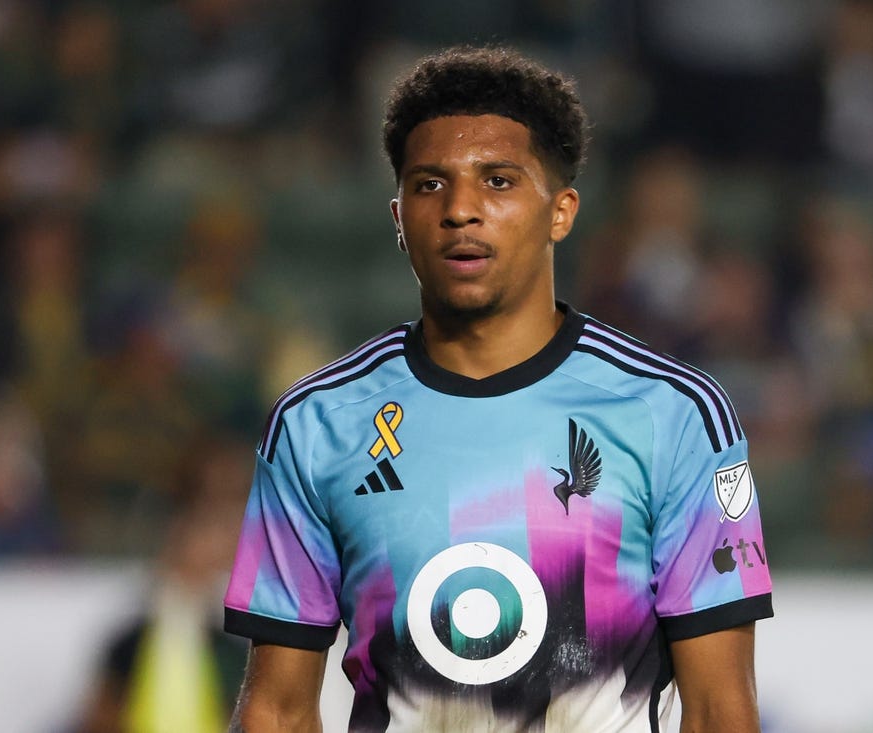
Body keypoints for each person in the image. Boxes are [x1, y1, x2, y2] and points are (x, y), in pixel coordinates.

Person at [222, 45, 774, 732]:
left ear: (561, 211)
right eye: (429, 185)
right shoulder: (316, 424)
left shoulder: (676, 415)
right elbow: (275, 708)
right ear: (398, 218)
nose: (460, 209)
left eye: (499, 181)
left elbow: (722, 709)